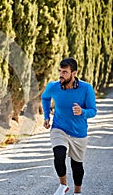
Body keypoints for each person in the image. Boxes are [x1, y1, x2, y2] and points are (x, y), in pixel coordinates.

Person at [41, 57, 97, 195]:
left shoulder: (86, 88)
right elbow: (45, 98)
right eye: (60, 71)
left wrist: (82, 112)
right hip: (59, 128)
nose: (61, 74)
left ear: (74, 73)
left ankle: (77, 192)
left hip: (79, 133)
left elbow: (93, 111)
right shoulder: (53, 86)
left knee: (77, 165)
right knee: (58, 154)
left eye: (65, 72)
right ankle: (63, 185)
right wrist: (47, 116)